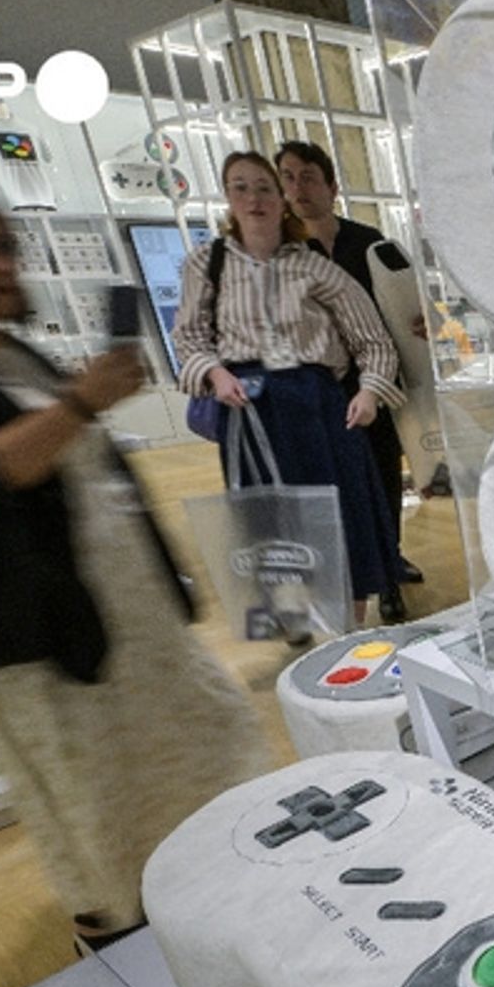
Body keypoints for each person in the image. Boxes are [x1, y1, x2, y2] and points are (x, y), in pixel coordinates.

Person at [0, 163, 273, 949]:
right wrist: (82, 398)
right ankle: (122, 944)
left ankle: (208, 902)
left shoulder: (6, 352)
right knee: (96, 800)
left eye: (2, 245)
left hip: (125, 614)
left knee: (199, 749)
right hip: (43, 635)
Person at [172, 150, 406, 632]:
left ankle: (347, 630)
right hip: (251, 410)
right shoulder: (206, 263)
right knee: (270, 522)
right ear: (227, 197)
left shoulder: (312, 266)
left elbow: (373, 338)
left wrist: (369, 393)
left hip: (317, 405)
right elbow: (189, 337)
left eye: (264, 187)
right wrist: (215, 374)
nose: (254, 198)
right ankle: (293, 616)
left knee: (342, 518)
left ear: (281, 200)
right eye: (241, 187)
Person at [276, 140, 424, 623]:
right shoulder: (282, 253)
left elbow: (403, 304)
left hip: (376, 380)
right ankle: (345, 577)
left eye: (308, 177)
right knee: (335, 485)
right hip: (320, 387)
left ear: (331, 186)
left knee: (383, 475)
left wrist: (418, 322)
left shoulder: (368, 241)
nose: (298, 188)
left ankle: (388, 569)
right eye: (289, 177)